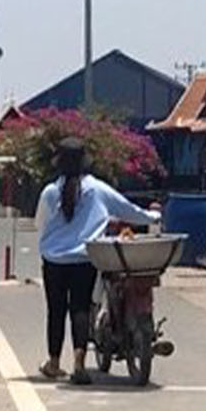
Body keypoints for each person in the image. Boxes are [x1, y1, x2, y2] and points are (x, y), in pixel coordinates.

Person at [36, 137, 160, 385]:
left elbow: (40, 224)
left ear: (59, 163)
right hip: (84, 258)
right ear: (84, 162)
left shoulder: (50, 192)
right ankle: (79, 364)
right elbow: (127, 210)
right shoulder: (98, 190)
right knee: (80, 308)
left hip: (53, 260)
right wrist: (151, 217)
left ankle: (53, 362)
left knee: (56, 310)